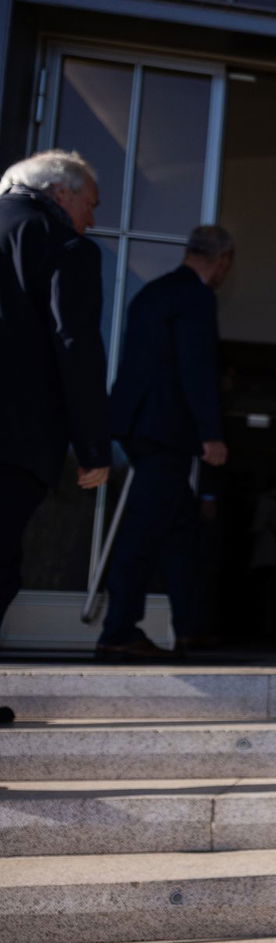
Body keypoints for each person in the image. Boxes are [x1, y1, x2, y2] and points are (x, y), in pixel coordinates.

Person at [96, 225, 234, 659]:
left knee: (179, 530)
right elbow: (196, 369)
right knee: (144, 531)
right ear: (223, 260)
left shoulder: (154, 292)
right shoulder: (194, 297)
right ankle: (118, 629)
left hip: (141, 427)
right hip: (165, 432)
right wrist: (210, 433)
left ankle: (189, 626)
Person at [0, 149, 109, 630]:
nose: (92, 217)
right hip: (13, 440)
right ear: (61, 192)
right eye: (92, 203)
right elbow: (75, 345)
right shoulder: (62, 244)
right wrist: (93, 447)